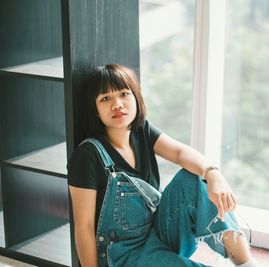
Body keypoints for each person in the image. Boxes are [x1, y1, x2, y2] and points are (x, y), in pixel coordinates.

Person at [67, 64, 257, 267]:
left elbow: (180, 152)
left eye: (124, 94)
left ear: (136, 98)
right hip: (122, 255)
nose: (117, 104)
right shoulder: (87, 155)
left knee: (192, 179)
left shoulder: (141, 131)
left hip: (157, 234)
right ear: (96, 110)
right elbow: (84, 228)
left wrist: (213, 174)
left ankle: (248, 264)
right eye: (105, 98)